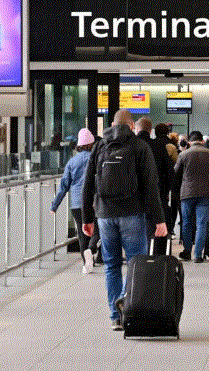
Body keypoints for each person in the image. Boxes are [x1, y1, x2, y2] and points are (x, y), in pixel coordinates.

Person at [81, 109, 167, 331]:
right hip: (132, 213)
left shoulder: (100, 146)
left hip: (105, 215)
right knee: (135, 263)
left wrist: (87, 218)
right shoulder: (140, 147)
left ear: (112, 124)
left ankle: (114, 316)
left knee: (111, 265)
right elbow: (150, 185)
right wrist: (159, 219)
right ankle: (130, 308)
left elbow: (88, 184)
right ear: (132, 126)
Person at [51, 128, 98, 275]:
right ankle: (91, 249)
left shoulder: (72, 162)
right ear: (92, 144)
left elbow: (64, 185)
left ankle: (86, 264)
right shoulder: (96, 159)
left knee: (82, 232)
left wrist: (55, 205)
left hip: (77, 203)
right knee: (98, 229)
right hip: (95, 201)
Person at [174, 130, 209, 263]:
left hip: (187, 193)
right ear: (202, 141)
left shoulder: (183, 154)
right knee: (201, 224)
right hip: (204, 193)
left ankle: (187, 251)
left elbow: (175, 172)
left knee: (186, 223)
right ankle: (198, 254)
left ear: (189, 141)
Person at [135, 117, 174, 245]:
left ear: (136, 129)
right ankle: (152, 256)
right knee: (154, 231)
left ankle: (137, 259)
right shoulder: (158, 146)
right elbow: (169, 173)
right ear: (150, 130)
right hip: (156, 194)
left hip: (133, 197)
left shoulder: (131, 145)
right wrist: (165, 191)